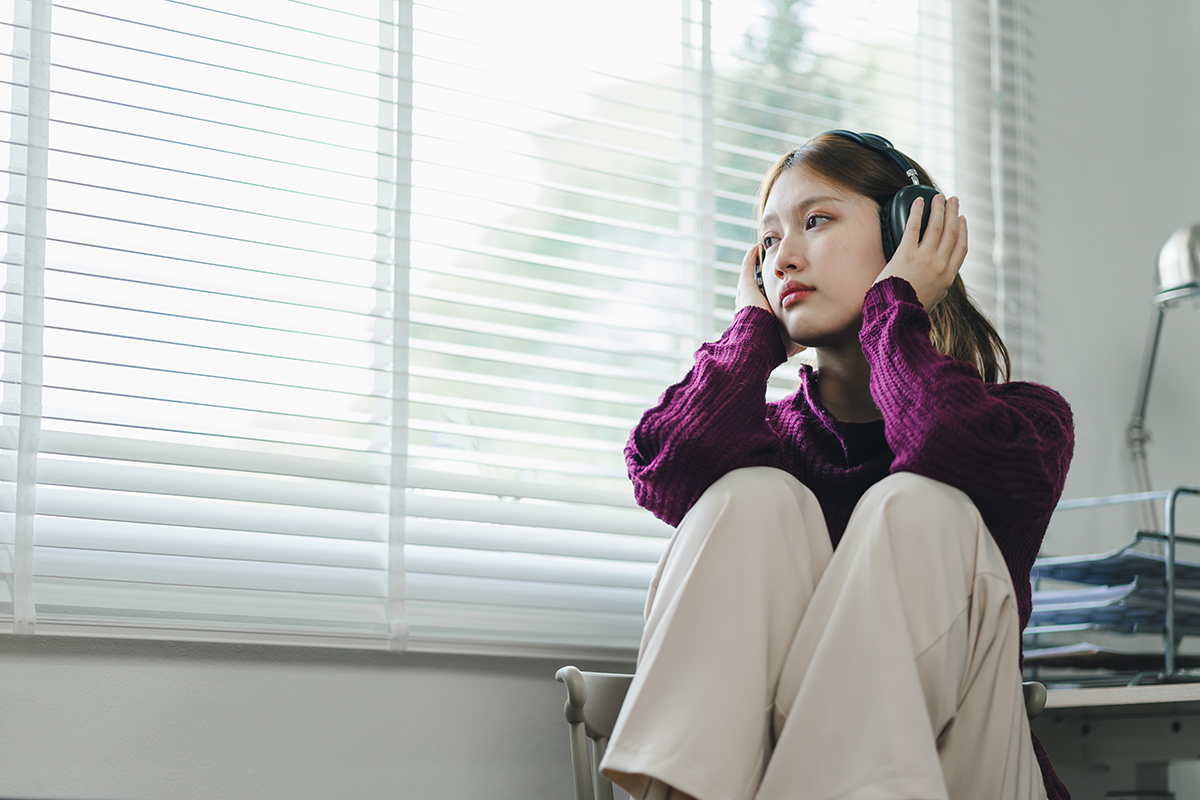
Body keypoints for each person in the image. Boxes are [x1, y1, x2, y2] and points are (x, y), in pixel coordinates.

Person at [597, 131, 1074, 800]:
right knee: (752, 496)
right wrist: (750, 334)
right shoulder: (762, 442)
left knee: (917, 505)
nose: (782, 258)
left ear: (908, 230)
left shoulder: (1025, 422)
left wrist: (895, 304)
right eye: (767, 243)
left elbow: (942, 439)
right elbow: (669, 468)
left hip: (967, 775)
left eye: (815, 221)